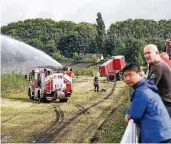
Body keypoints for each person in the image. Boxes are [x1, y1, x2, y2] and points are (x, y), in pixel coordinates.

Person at [124, 63, 171, 143]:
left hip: (157, 136)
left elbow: (135, 115)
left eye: (130, 75)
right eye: (125, 76)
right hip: (163, 133)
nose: (127, 78)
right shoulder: (146, 86)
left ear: (140, 74)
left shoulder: (141, 91)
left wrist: (128, 114)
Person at [144, 44, 171, 116]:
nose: (146, 56)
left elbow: (149, 88)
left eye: (149, 53)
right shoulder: (153, 64)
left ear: (157, 53)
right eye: (145, 53)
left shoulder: (158, 65)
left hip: (166, 105)